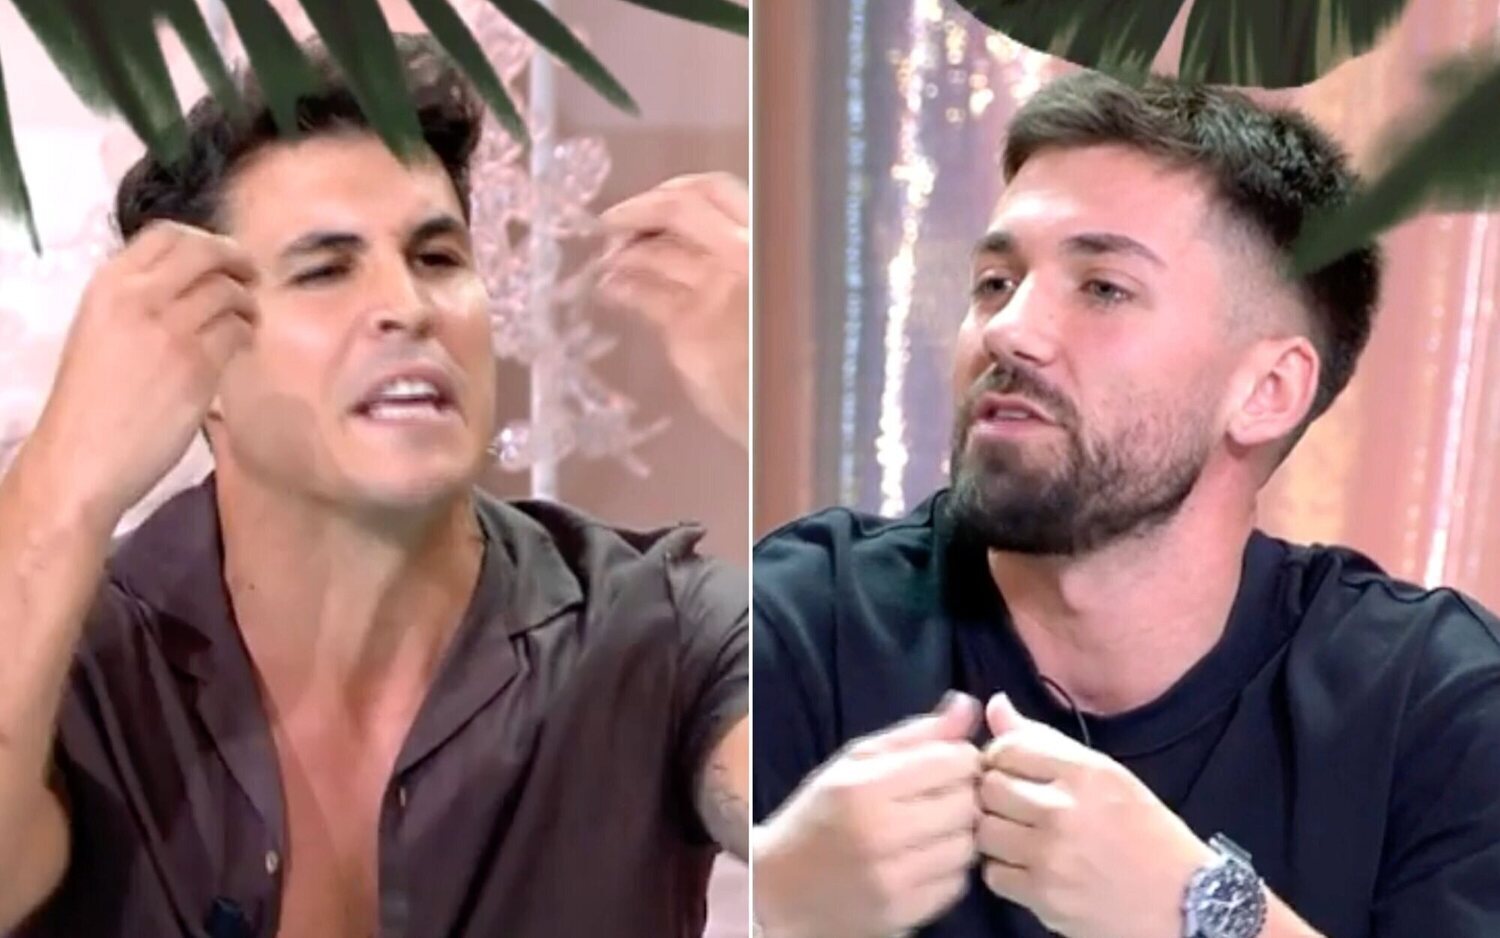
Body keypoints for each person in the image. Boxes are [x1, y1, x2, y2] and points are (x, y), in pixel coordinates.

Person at [0, 35, 748, 938]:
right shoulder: (70, 655)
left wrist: (783, 395)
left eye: (437, 259)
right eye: (325, 269)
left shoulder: (657, 633)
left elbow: (866, 809)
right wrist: (66, 478)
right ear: (199, 362)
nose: (408, 306)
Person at [751, 71, 1500, 938]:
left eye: (1103, 287)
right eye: (995, 282)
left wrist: (1203, 912)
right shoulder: (805, 624)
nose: (1008, 330)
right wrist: (777, 904)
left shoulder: (1435, 705)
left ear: (1266, 391)